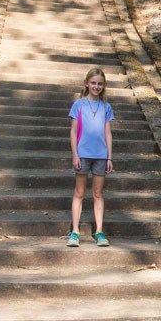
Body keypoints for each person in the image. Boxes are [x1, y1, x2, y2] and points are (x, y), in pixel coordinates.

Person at [68, 67, 115, 247]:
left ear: (104, 86)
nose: (96, 86)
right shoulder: (78, 105)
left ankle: (100, 231)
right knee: (79, 193)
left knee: (98, 193)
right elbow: (73, 131)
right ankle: (75, 232)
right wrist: (75, 154)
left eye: (100, 84)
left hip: (101, 156)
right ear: (87, 83)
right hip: (83, 155)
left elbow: (108, 133)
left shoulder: (106, 107)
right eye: (93, 83)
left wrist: (109, 157)